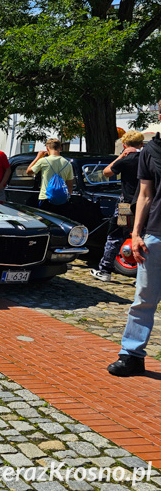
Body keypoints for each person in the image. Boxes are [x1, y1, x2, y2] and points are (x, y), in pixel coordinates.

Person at [107, 131, 161, 377]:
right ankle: (131, 355)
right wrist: (136, 233)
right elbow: (145, 194)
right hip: (156, 234)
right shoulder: (151, 150)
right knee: (144, 298)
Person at [91, 131, 145, 282]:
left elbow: (106, 172)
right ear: (141, 144)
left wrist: (121, 156)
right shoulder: (146, 158)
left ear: (124, 145)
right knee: (144, 237)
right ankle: (142, 276)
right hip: (145, 204)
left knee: (116, 235)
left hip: (126, 205)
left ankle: (105, 270)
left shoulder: (125, 160)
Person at [27, 138, 74, 212]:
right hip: (62, 199)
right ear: (60, 148)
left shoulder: (43, 161)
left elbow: (29, 171)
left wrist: (38, 157)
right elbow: (70, 185)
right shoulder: (67, 163)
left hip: (46, 197)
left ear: (47, 148)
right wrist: (67, 197)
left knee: (46, 221)